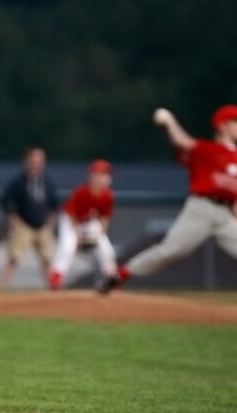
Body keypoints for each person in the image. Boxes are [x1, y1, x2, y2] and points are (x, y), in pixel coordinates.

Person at [98, 106, 237, 294]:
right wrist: (169, 121)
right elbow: (181, 141)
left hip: (225, 214)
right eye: (235, 122)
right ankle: (120, 275)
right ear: (223, 126)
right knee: (170, 251)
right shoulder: (209, 150)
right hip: (201, 209)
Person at [48, 160, 117, 290]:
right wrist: (78, 236)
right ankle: (56, 277)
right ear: (92, 175)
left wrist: (100, 236)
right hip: (70, 221)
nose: (104, 177)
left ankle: (111, 279)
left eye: (105, 174)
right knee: (68, 245)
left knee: (106, 248)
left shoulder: (108, 196)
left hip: (89, 222)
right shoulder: (81, 192)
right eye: (100, 174)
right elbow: (72, 215)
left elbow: (104, 218)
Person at [0, 147, 59, 289]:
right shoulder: (19, 182)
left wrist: (51, 220)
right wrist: (13, 218)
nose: (37, 165)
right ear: (27, 162)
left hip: (43, 226)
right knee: (14, 258)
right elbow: (5, 201)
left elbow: (55, 204)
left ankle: (53, 290)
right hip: (24, 225)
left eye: (40, 162)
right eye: (34, 161)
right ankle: (2, 288)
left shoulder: (47, 182)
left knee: (47, 259)